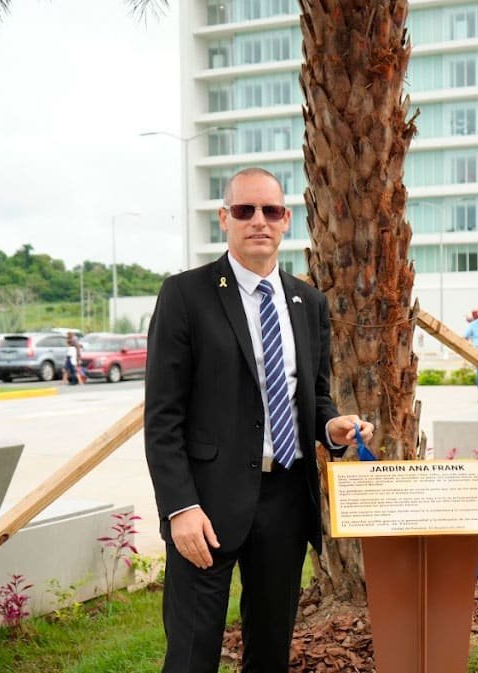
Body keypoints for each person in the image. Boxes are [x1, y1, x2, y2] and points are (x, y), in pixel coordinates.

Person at [144, 167, 375, 673]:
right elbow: (162, 418)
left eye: (270, 211)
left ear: (286, 219)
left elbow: (311, 395)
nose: (258, 221)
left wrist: (332, 426)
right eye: (245, 211)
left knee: (270, 652)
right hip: (205, 506)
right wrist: (180, 507)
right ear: (224, 218)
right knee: (191, 654)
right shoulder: (185, 296)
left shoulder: (308, 302)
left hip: (286, 501)